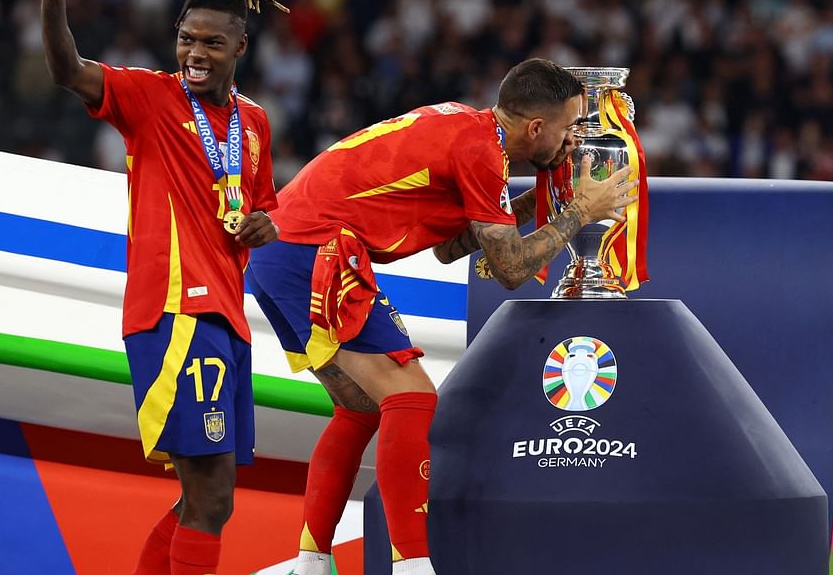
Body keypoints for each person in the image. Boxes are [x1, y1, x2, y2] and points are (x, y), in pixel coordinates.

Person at [245, 58, 638, 575]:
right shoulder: (480, 151)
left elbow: (450, 248)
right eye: (567, 128)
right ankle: (413, 565)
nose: (570, 142)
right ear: (536, 127)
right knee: (411, 397)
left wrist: (535, 202)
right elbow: (512, 268)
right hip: (315, 253)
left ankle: (311, 561)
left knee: (361, 407)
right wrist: (580, 211)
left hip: (281, 251)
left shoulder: (468, 128)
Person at [35, 0, 286, 575]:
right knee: (211, 494)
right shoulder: (147, 98)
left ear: (240, 48)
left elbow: (259, 208)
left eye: (209, 42)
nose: (193, 53)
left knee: (206, 498)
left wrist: (267, 222)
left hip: (227, 319)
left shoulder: (255, 123)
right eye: (185, 38)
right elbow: (68, 70)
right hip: (175, 312)